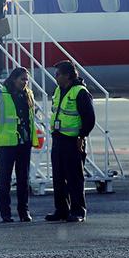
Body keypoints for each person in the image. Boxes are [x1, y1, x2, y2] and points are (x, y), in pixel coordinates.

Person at [45, 61, 95, 223]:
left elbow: (89, 118)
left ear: (67, 75)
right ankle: (61, 210)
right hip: (59, 138)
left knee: (74, 177)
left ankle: (78, 210)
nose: (56, 77)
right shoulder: (59, 90)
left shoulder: (80, 92)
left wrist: (82, 137)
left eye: (58, 74)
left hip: (73, 141)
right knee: (58, 177)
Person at [0, 67, 37, 222]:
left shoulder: (28, 94)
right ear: (14, 79)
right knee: (5, 180)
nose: (25, 82)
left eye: (26, 80)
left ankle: (24, 211)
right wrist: (2, 133)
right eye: (22, 79)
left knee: (23, 179)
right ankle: (6, 213)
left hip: (24, 143)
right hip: (6, 144)